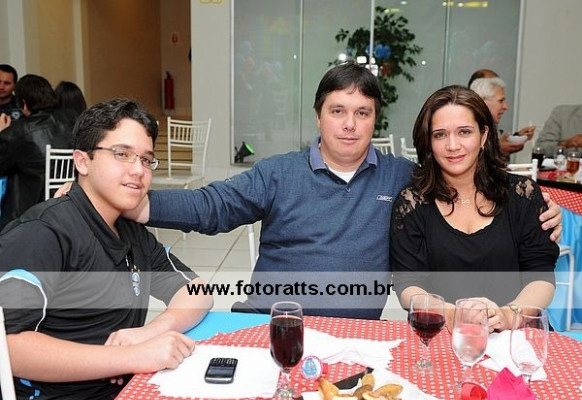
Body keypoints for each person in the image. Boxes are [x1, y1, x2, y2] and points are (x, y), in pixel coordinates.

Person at [119, 63, 562, 320]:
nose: (350, 124)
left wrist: (545, 210)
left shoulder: (405, 179)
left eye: (362, 113)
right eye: (338, 111)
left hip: (357, 339)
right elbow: (210, 206)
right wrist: (134, 202)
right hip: (270, 323)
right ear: (318, 117)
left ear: (375, 120)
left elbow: (467, 185)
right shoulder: (278, 173)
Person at [0, 98, 213, 400]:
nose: (138, 170)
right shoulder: (43, 232)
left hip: (122, 391)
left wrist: (150, 332)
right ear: (82, 161)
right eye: (122, 154)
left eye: (146, 159)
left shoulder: (131, 232)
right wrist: (132, 357)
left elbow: (198, 292)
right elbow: (9, 346)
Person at [390, 85, 559, 332]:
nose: (452, 145)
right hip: (442, 336)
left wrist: (506, 316)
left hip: (518, 337)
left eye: (464, 132)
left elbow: (541, 277)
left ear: (483, 135)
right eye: (440, 135)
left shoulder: (522, 194)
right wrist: (452, 315)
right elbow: (408, 286)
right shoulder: (412, 203)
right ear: (428, 142)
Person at [0, 74, 78, 229]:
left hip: (30, 209)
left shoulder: (19, 131)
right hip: (70, 200)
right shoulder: (72, 118)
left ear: (24, 103)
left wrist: (2, 133)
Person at [470, 76, 535, 158]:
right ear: (483, 101)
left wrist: (518, 136)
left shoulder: (489, 125)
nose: (505, 106)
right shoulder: (470, 126)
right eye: (501, 101)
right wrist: (499, 149)